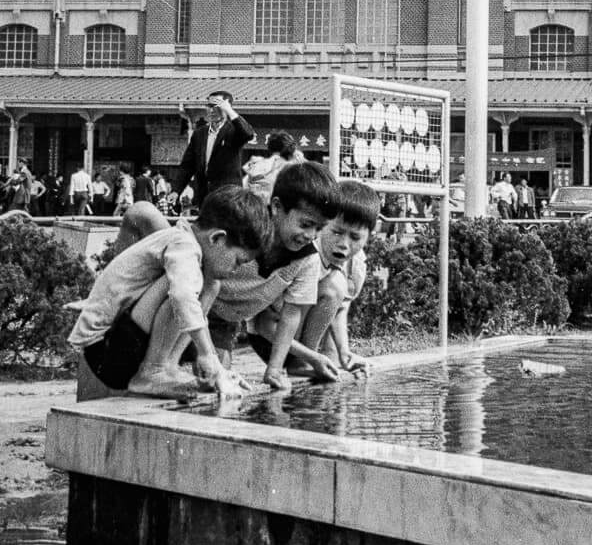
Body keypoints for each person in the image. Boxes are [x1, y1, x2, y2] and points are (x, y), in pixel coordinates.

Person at [67, 185, 266, 398]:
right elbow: (181, 296)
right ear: (217, 238)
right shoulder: (184, 245)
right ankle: (153, 370)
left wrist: (219, 370)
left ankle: (167, 366)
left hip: (121, 346)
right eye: (238, 261)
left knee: (211, 283)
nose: (235, 271)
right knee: (186, 285)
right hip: (105, 354)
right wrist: (209, 356)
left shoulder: (182, 241)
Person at [195, 160, 341, 391]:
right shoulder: (244, 228)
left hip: (224, 323)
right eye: (305, 224)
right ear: (276, 206)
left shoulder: (306, 259)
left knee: (217, 384)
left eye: (318, 229)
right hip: (195, 303)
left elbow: (291, 315)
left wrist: (274, 368)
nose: (310, 235)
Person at [252, 177, 376, 379]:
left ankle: (312, 361)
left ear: (369, 235)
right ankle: (302, 362)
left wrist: (345, 353)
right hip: (271, 339)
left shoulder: (357, 263)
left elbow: (339, 308)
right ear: (323, 225)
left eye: (355, 237)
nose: (344, 244)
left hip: (301, 339)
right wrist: (310, 357)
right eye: (336, 232)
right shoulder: (304, 255)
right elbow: (263, 325)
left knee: (336, 286)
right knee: (334, 284)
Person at [174, 91, 255, 207]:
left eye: (216, 106)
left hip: (228, 198)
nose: (211, 110)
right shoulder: (199, 134)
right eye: (209, 106)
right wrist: (176, 190)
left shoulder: (233, 131)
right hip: (204, 197)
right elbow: (187, 166)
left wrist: (229, 110)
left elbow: (248, 134)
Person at [243, 132, 296, 206]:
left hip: (254, 208)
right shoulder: (291, 169)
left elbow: (244, 187)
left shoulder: (255, 164)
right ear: (291, 150)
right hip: (278, 209)